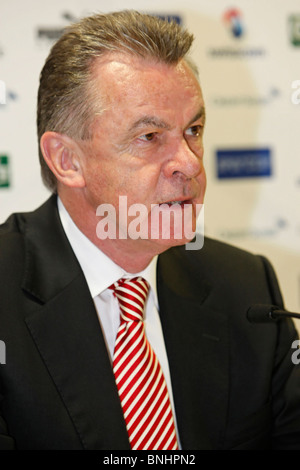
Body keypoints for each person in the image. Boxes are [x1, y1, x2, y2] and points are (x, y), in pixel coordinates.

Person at [0, 10, 300, 451]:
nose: (191, 163)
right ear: (67, 160)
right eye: (150, 137)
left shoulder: (246, 288)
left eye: (193, 130)